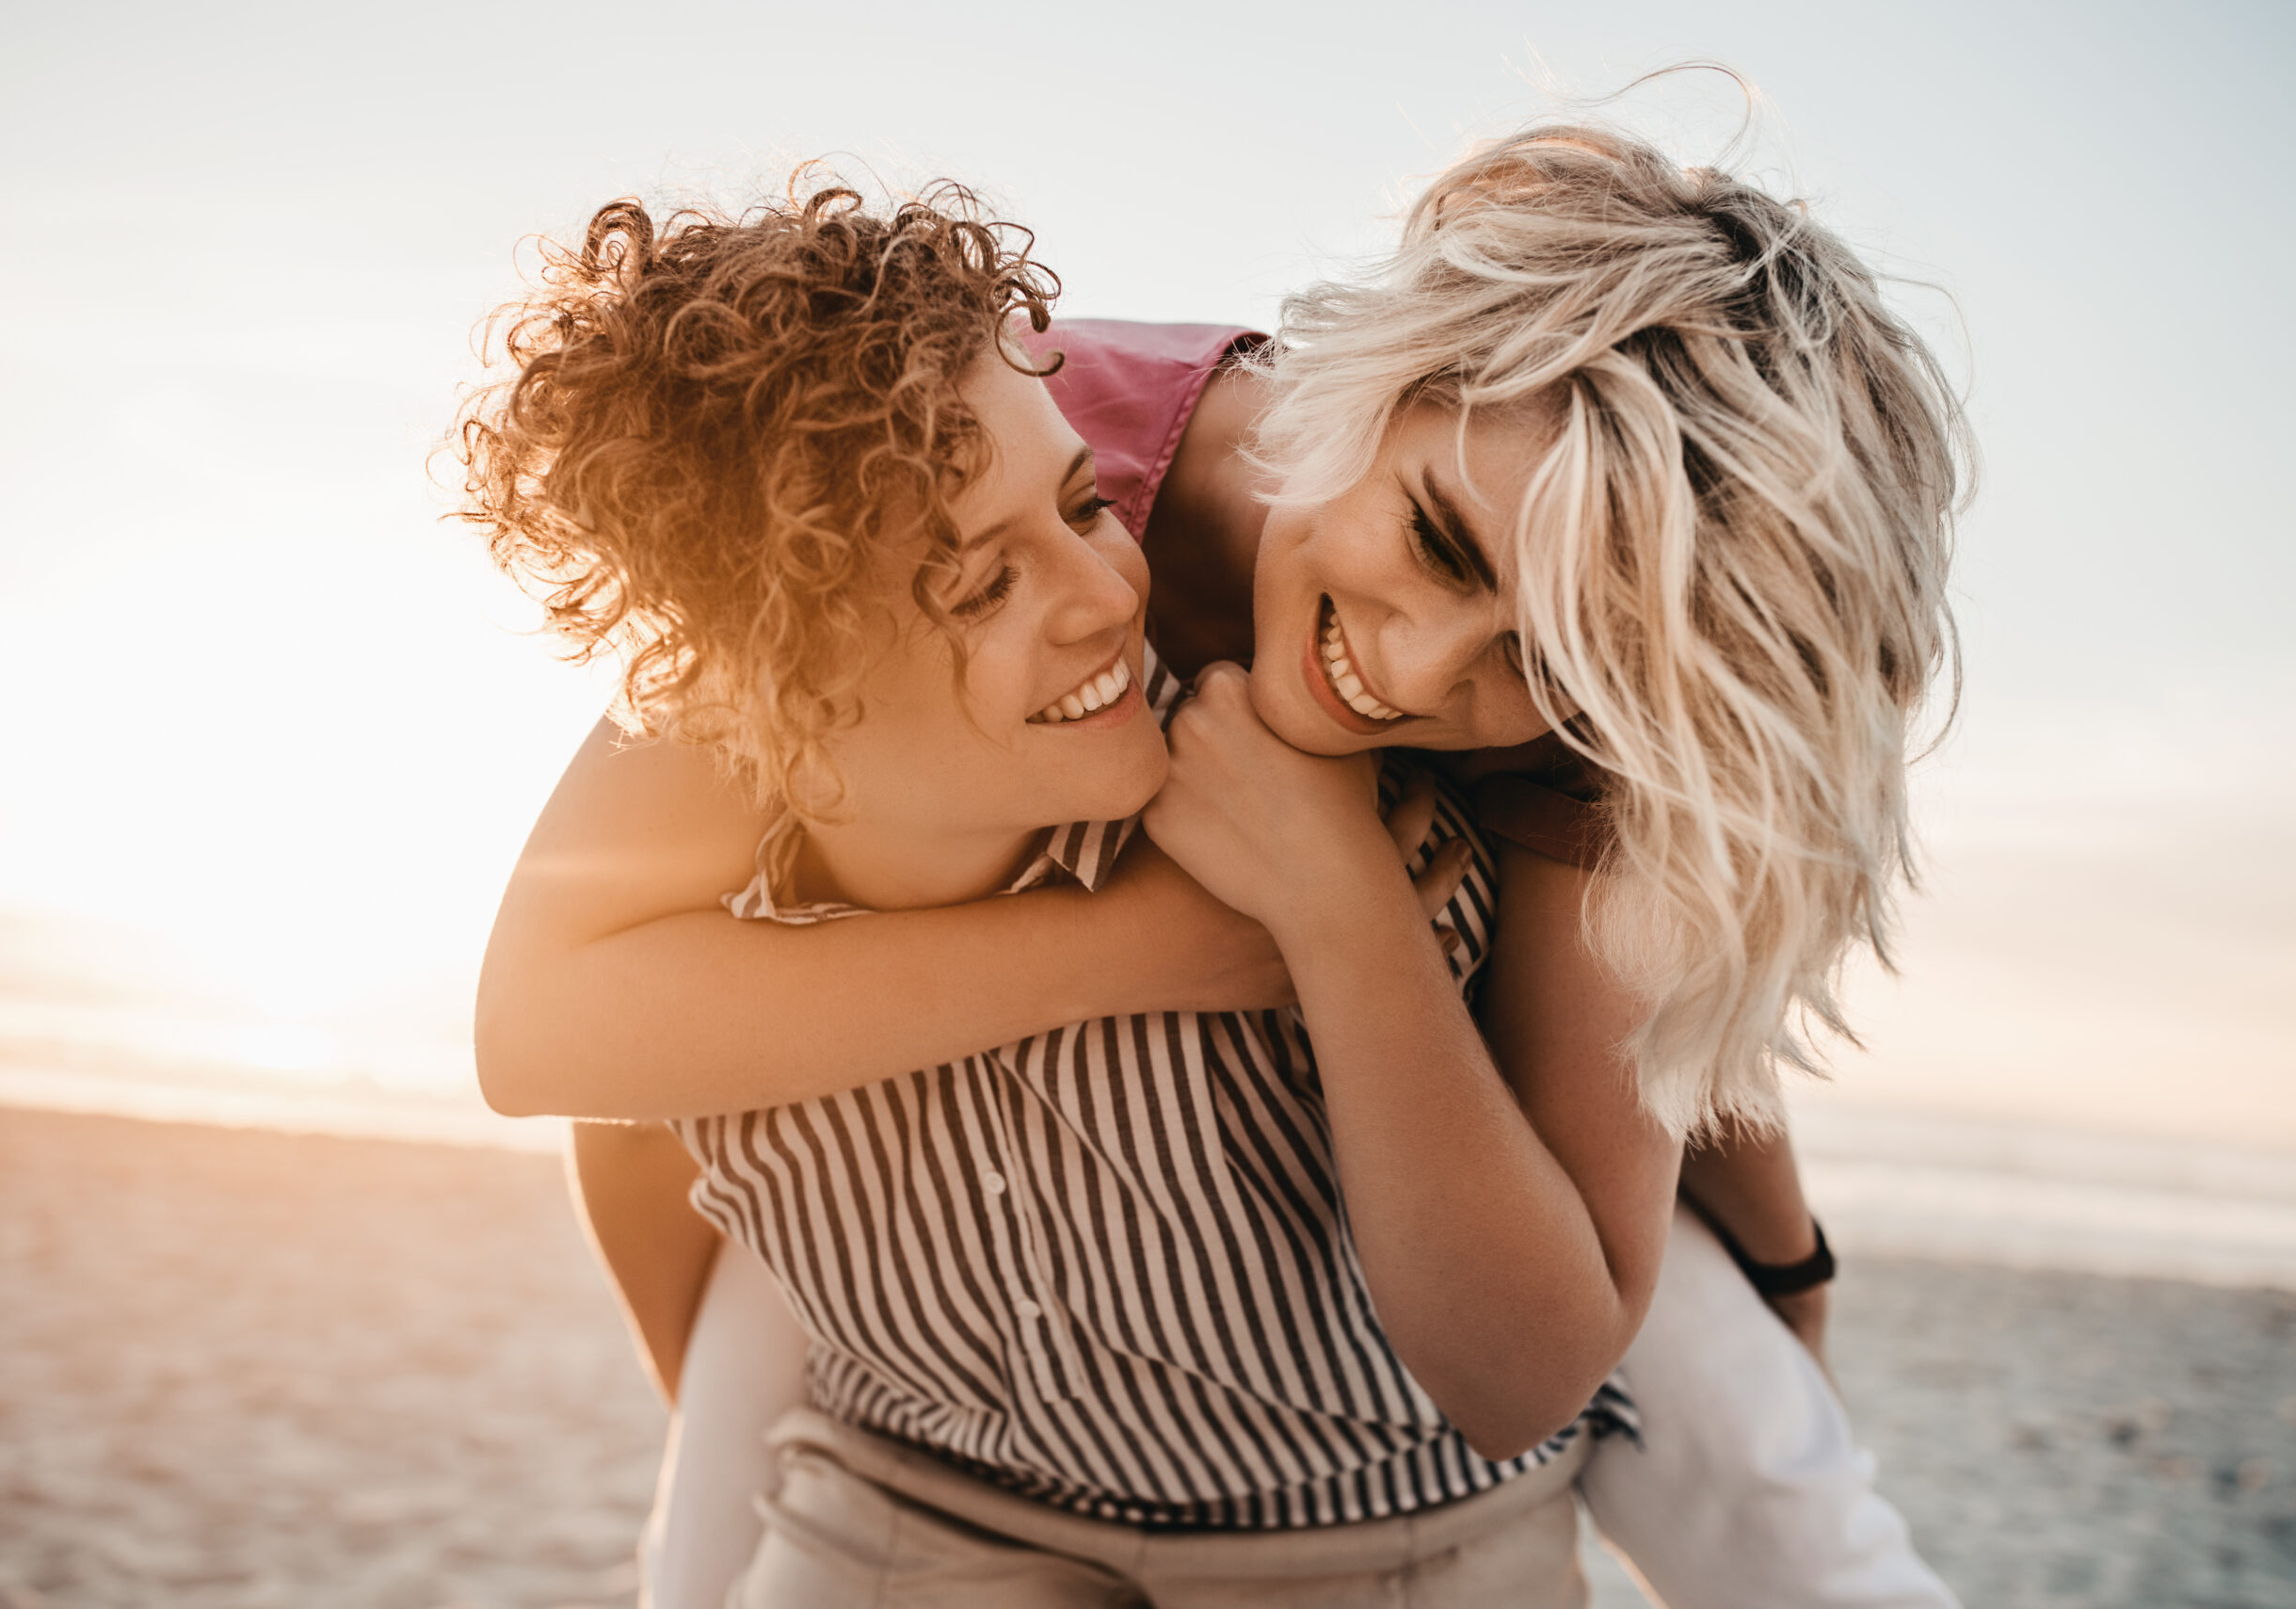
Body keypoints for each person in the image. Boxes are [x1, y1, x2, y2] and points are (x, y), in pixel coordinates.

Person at [469, 116, 1969, 1607]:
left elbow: (1652, 1064)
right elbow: (574, 1023)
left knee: (1782, 1484)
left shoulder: (1604, 699)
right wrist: (1153, 942)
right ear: (1389, 374)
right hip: (901, 1231)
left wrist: (1785, 1258)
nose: (1414, 667)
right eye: (1438, 544)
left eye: (1554, 665)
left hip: (1437, 1250)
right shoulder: (976, 446)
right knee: (719, 1527)